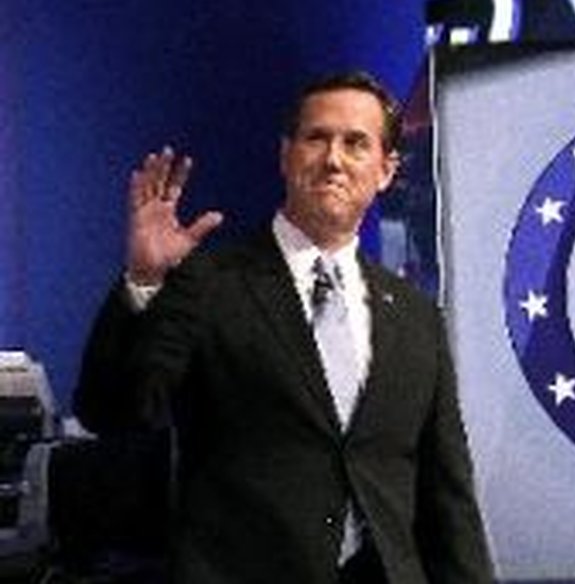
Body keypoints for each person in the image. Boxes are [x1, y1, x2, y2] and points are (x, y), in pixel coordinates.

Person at [74, 71, 494, 584]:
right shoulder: (211, 282)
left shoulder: (415, 315)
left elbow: (447, 494)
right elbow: (112, 411)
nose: (334, 159)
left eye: (356, 143)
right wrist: (143, 282)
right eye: (317, 138)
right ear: (286, 156)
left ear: (386, 170)